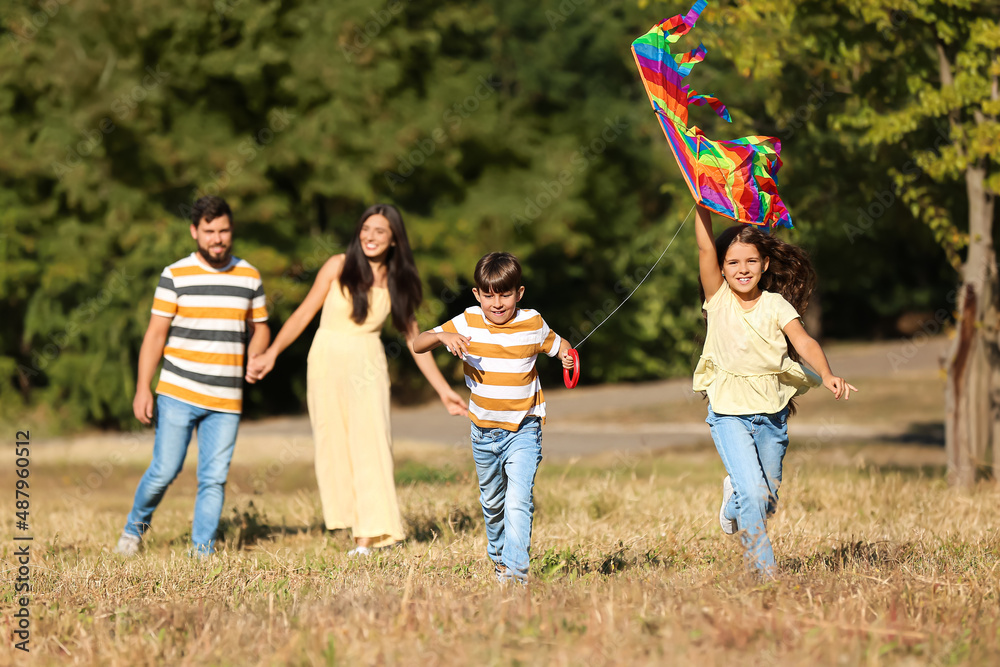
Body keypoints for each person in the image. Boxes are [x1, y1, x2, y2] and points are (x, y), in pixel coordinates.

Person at [247, 204, 467, 556]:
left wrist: (443, 391)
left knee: (372, 444)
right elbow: (304, 312)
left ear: (394, 239)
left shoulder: (398, 280)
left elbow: (414, 341)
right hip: (325, 360)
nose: (370, 236)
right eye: (366, 229)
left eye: (379, 231)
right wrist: (271, 353)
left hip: (367, 364)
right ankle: (354, 525)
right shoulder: (338, 265)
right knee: (334, 446)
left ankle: (368, 538)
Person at [692, 205, 858, 578]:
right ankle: (764, 575)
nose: (743, 269)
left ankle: (732, 499)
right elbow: (705, 249)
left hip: (772, 415)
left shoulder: (775, 304)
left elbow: (804, 340)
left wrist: (828, 374)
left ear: (765, 264)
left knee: (763, 500)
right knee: (752, 493)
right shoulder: (718, 300)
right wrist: (702, 202)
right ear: (721, 268)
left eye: (751, 261)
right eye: (733, 262)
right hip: (729, 412)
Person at [115, 195, 271, 557]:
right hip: (178, 390)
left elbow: (260, 327)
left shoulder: (248, 276)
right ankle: (133, 531)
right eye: (209, 231)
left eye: (224, 231)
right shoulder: (175, 274)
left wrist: (256, 353)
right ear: (194, 232)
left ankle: (202, 552)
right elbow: (155, 335)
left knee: (213, 478)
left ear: (232, 231)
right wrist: (143, 388)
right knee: (165, 469)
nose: (218, 238)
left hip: (226, 399)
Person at [413, 252, 575, 584]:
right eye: (488, 294)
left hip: (523, 429)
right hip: (483, 433)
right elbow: (418, 343)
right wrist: (443, 336)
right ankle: (500, 560)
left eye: (504, 294)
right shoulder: (467, 321)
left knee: (519, 500)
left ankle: (516, 575)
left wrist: (568, 361)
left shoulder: (533, 323)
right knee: (492, 502)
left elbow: (563, 348)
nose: (496, 303)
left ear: (519, 293)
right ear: (477, 295)